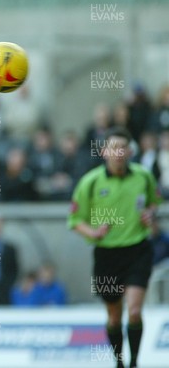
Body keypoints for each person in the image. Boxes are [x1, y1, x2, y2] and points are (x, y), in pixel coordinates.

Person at [68, 127, 161, 368]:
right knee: (114, 316)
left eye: (123, 148)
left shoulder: (144, 176)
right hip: (107, 253)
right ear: (104, 151)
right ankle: (118, 361)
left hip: (138, 250)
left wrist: (150, 215)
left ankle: (135, 362)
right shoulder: (90, 183)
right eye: (114, 148)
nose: (118, 153)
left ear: (130, 151)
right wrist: (94, 232)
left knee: (135, 311)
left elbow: (154, 203)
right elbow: (75, 221)